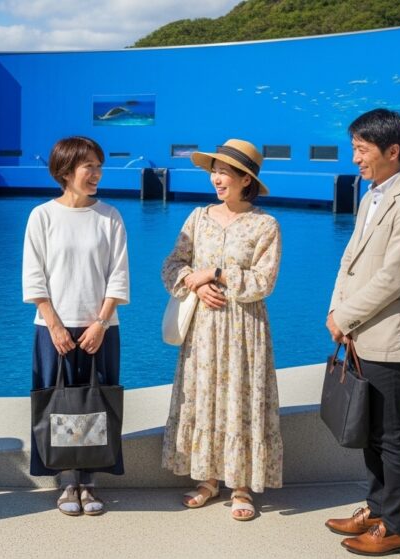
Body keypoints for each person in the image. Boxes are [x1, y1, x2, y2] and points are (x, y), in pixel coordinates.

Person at [324, 109, 400, 556]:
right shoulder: (372, 195)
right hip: (359, 331)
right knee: (370, 430)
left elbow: (395, 279)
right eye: (354, 148)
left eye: (362, 149)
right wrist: (336, 310)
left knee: (391, 436)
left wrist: (345, 317)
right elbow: (349, 259)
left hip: (389, 337)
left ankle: (397, 527)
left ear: (393, 151)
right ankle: (376, 509)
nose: (355, 158)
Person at [160, 139, 283, 521]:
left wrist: (215, 273)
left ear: (246, 179)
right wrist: (194, 283)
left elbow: (264, 281)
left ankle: (241, 486)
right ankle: (208, 479)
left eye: (224, 172)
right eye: (214, 171)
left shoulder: (265, 225)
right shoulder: (198, 218)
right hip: (203, 329)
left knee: (241, 400)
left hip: (244, 331)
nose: (216, 178)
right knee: (203, 397)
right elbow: (171, 266)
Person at [22, 136, 129, 516]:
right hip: (53, 328)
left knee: (95, 403)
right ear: (66, 171)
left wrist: (100, 322)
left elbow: (118, 275)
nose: (97, 174)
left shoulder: (110, 217)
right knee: (59, 403)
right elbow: (34, 276)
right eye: (89, 167)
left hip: (100, 328)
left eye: (99, 167)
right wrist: (54, 325)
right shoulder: (42, 216)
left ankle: (89, 480)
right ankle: (67, 481)